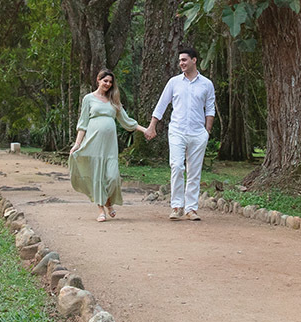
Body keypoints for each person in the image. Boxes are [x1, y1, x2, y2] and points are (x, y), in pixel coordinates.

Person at [69, 68, 150, 222]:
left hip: (110, 147)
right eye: (105, 80)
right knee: (97, 177)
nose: (107, 84)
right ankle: (101, 210)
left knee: (112, 177)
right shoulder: (88, 99)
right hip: (93, 143)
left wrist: (144, 130)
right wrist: (77, 144)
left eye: (110, 82)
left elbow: (127, 121)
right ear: (98, 80)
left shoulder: (114, 100)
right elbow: (83, 124)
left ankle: (108, 202)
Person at [147, 45, 216, 221]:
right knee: (177, 166)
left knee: (194, 171)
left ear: (194, 60)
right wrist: (152, 125)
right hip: (177, 131)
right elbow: (162, 104)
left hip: (198, 133)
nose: (181, 63)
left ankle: (191, 209)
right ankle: (177, 206)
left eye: (184, 60)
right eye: (180, 61)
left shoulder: (206, 84)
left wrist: (207, 131)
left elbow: (210, 108)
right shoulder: (174, 82)